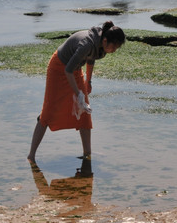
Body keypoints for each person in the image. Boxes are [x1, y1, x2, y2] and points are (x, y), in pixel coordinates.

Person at [27, 21, 126, 163]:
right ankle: (31, 156)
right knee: (48, 112)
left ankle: (87, 153)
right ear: (105, 40)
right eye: (114, 47)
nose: (114, 50)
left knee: (85, 110)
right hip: (59, 67)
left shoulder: (101, 45)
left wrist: (88, 82)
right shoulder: (87, 43)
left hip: (75, 68)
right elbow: (68, 70)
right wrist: (79, 94)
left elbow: (91, 59)